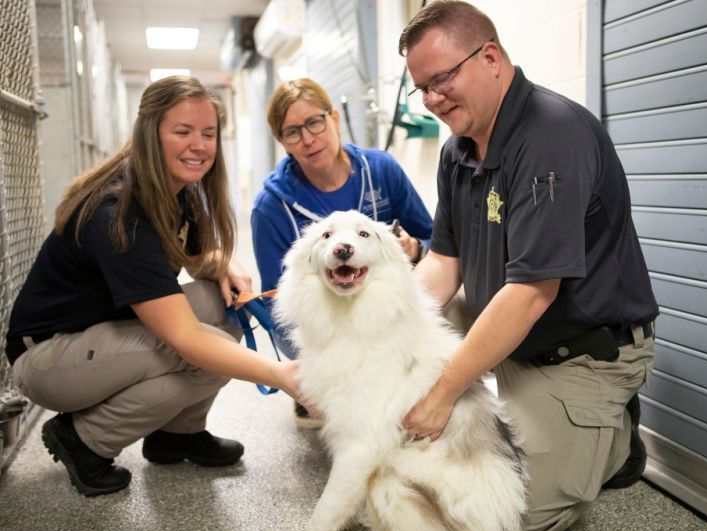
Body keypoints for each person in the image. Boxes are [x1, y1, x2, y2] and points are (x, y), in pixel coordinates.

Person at [397, 2, 659, 531]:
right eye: (420, 88)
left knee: (505, 518)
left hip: (579, 350)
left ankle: (607, 440)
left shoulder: (551, 135)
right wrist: (389, 332)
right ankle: (555, 428)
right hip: (509, 327)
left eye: (442, 79)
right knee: (404, 362)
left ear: (490, 57)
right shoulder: (458, 151)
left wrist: (441, 394)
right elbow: (444, 264)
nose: (431, 99)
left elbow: (532, 294)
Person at [4, 76, 301, 497]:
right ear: (150, 134)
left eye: (208, 133)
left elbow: (195, 257)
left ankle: (177, 435)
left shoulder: (176, 193)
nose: (198, 145)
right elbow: (185, 335)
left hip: (102, 338)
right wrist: (283, 374)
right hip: (48, 357)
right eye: (182, 131)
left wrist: (223, 263)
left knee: (222, 311)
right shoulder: (118, 211)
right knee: (195, 350)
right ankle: (85, 439)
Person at [251, 78, 433, 427]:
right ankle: (325, 392)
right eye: (292, 132)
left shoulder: (381, 170)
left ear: (334, 118)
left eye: (314, 122)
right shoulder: (271, 207)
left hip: (381, 315)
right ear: (282, 142)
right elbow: (275, 298)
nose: (307, 139)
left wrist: (414, 248)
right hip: (321, 323)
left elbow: (434, 238)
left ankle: (409, 395)